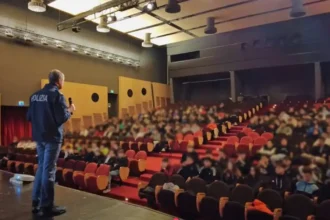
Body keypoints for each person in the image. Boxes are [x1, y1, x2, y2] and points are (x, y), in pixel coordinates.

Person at [27, 70, 75, 217]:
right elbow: (61, 118)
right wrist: (70, 110)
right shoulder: (57, 96)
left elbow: (29, 117)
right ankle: (47, 206)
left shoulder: (34, 96)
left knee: (42, 167)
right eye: (63, 80)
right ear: (59, 81)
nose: (63, 83)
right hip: (52, 138)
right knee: (49, 170)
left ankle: (36, 201)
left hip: (39, 137)